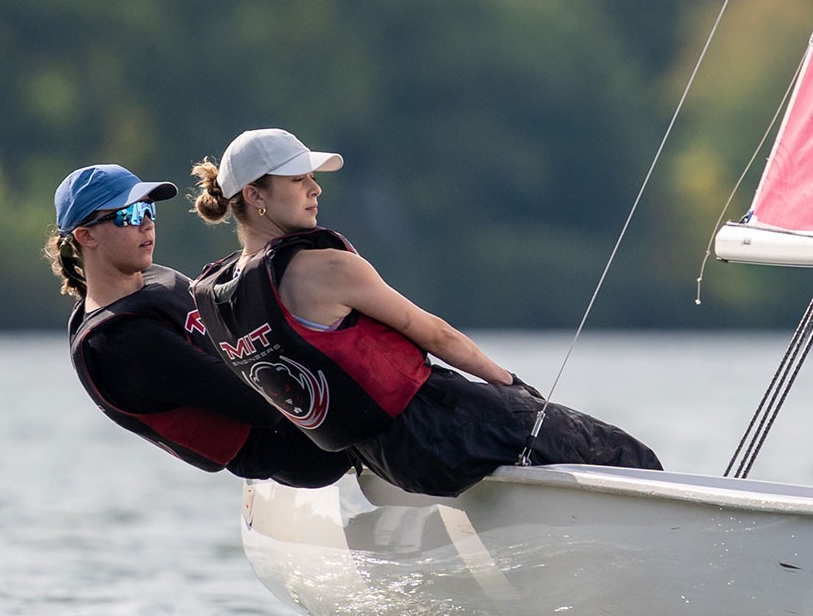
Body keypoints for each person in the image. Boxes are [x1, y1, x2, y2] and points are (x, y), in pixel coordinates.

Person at [188, 128, 661, 497]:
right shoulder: (324, 267)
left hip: (384, 458)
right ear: (254, 194)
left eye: (312, 178)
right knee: (625, 455)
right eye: (298, 180)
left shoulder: (218, 294)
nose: (315, 189)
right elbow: (435, 335)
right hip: (438, 430)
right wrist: (513, 388)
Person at [46, 163, 353, 487]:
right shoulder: (120, 343)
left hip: (309, 413)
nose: (147, 225)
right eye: (130, 216)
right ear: (86, 235)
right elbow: (262, 406)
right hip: (304, 452)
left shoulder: (150, 279)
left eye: (149, 210)